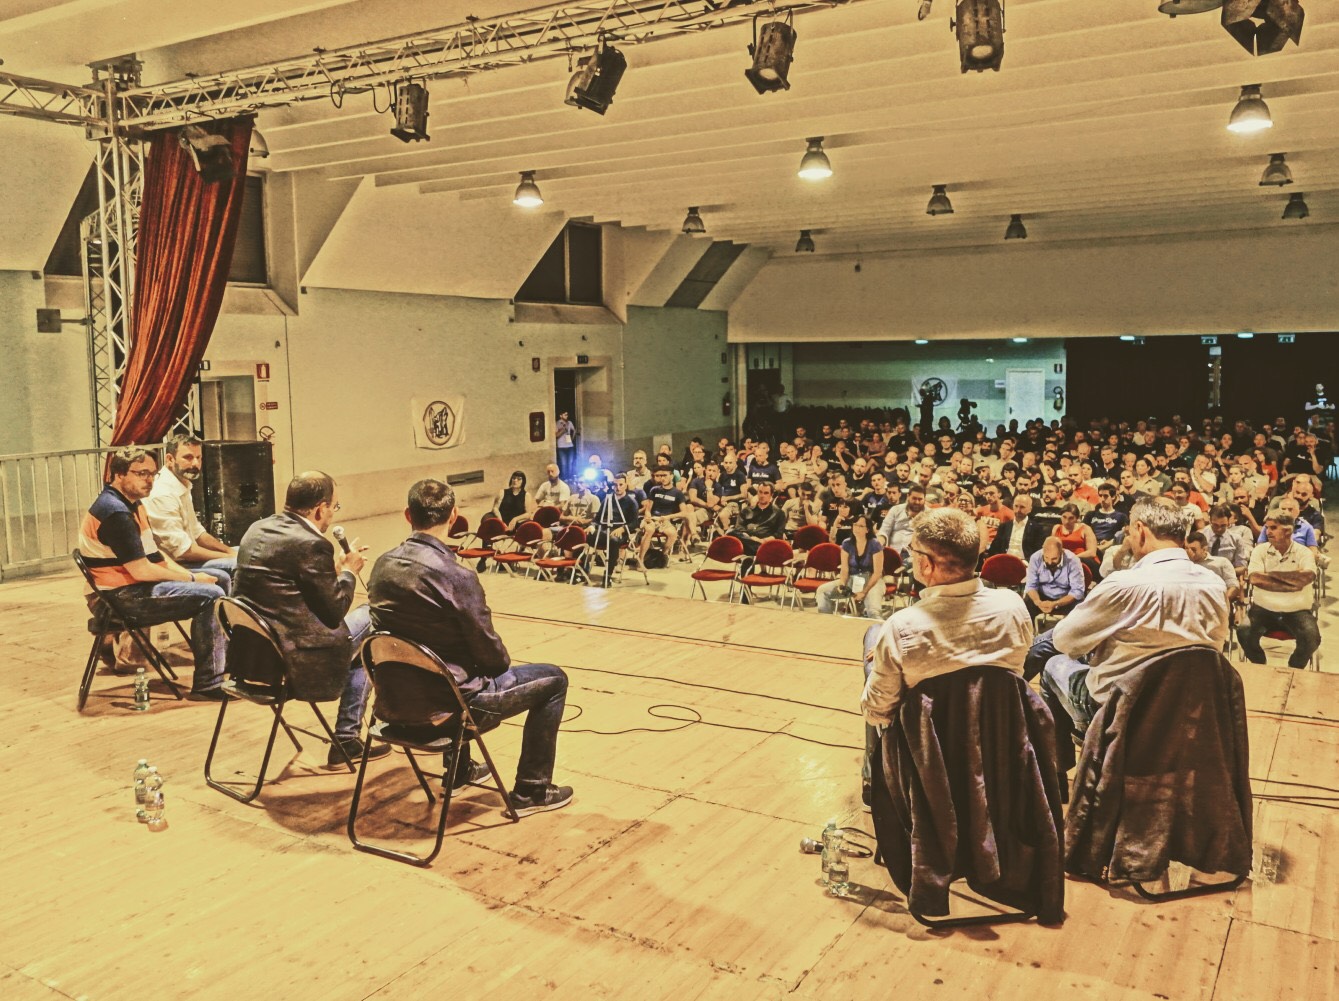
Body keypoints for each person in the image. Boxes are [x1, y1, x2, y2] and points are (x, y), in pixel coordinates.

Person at [369, 479, 573, 815]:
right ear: (453, 516)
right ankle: (532, 790)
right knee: (554, 679)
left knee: (446, 662)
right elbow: (494, 661)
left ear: (408, 515)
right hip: (448, 712)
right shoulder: (457, 576)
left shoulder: (381, 565)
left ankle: (460, 771)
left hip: (392, 705)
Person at [861, 507, 1032, 802]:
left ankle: (874, 782)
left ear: (926, 564)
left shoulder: (901, 626)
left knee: (873, 636)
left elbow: (878, 712)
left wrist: (888, 650)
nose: (909, 553)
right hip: (998, 739)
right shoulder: (1013, 605)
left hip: (930, 754)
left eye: (912, 549)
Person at [1026, 499, 1229, 733]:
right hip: (1189, 708)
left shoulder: (1122, 584)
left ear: (1140, 530)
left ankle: (1072, 752)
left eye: (1130, 532)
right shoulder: (1215, 585)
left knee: (1054, 664)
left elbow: (1065, 642)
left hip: (1121, 710)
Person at [234, 471, 389, 764]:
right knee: (373, 615)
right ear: (320, 508)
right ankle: (347, 738)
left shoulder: (257, 528)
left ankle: (347, 739)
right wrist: (348, 572)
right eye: (334, 507)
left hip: (250, 657)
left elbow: (287, 586)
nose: (332, 514)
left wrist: (332, 570)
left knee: (360, 647)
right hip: (292, 659)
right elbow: (334, 612)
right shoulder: (311, 543)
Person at [78, 445, 227, 700]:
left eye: (152, 474)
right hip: (117, 598)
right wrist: (192, 578)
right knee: (211, 595)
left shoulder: (133, 504)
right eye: (141, 474)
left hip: (128, 589)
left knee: (220, 578)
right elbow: (142, 570)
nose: (149, 480)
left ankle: (223, 660)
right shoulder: (115, 512)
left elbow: (155, 555)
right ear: (119, 475)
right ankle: (208, 684)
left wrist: (190, 577)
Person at [142, 433, 236, 591]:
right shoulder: (163, 494)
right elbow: (184, 551)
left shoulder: (182, 483)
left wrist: (229, 551)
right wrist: (230, 557)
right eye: (188, 457)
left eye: (199, 458)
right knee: (239, 563)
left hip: (187, 556)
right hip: (175, 565)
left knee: (246, 553)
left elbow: (197, 532)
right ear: (170, 459)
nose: (196, 464)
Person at [1238, 514, 1320, 670]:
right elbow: (1255, 578)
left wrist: (1269, 576)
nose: (1267, 531)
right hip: (1263, 610)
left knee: (1312, 638)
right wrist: (1292, 582)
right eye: (1267, 527)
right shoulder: (1260, 551)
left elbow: (1306, 577)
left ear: (1288, 531)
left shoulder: (1304, 553)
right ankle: (1260, 666)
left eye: (1273, 528)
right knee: (1243, 632)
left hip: (1297, 611)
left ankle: (1294, 669)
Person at [817, 513, 884, 618]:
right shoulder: (847, 543)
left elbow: (877, 573)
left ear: (867, 530)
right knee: (822, 590)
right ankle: (826, 619)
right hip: (851, 580)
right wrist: (842, 584)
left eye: (861, 526)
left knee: (873, 610)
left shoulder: (875, 544)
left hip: (872, 582)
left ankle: (877, 626)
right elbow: (844, 569)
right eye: (855, 525)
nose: (857, 528)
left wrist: (864, 592)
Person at [1023, 537, 1086, 621]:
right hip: (1042, 596)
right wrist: (1038, 602)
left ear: (1061, 552)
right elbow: (1031, 586)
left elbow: (1077, 591)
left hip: (1065, 597)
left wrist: (1056, 603)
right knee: (1026, 604)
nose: (1049, 562)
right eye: (1046, 557)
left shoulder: (1073, 560)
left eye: (1054, 559)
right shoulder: (1035, 558)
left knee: (1080, 608)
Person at [639, 468, 690, 564]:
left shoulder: (677, 493)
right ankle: (640, 560)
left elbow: (684, 513)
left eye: (665, 475)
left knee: (673, 534)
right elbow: (648, 509)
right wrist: (648, 516)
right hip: (653, 518)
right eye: (661, 476)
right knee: (649, 530)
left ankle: (662, 555)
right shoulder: (654, 490)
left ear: (671, 476)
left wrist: (667, 517)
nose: (662, 478)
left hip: (665, 520)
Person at [554, 410, 577, 484]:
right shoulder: (558, 423)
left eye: (567, 415)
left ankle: (570, 477)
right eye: (565, 415)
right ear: (561, 416)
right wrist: (563, 430)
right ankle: (564, 478)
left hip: (569, 445)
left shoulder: (569, 423)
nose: (566, 416)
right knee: (563, 463)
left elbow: (574, 431)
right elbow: (556, 435)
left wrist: (572, 438)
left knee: (570, 462)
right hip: (561, 446)